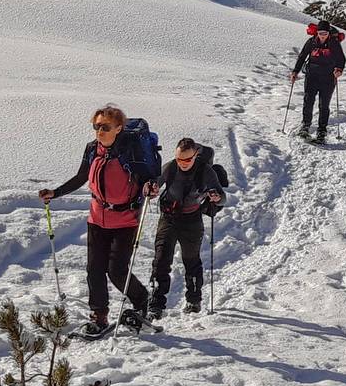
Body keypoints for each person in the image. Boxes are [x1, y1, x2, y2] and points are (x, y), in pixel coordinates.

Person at [39, 104, 159, 338]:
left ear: (118, 128)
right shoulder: (93, 148)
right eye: (96, 126)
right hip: (96, 218)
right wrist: (56, 192)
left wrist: (150, 188)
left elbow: (148, 179)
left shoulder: (131, 150)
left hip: (125, 220)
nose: (99, 131)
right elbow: (81, 176)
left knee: (116, 271)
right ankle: (99, 316)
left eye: (105, 127)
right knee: (94, 269)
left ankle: (141, 301)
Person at [147, 137, 224, 318]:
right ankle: (156, 304)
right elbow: (156, 182)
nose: (182, 163)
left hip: (192, 220)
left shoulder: (206, 171)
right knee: (161, 258)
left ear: (195, 155)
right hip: (169, 218)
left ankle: (194, 301)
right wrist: (151, 189)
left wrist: (217, 197)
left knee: (191, 260)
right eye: (179, 159)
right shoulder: (171, 167)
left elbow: (222, 197)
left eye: (187, 160)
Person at [291, 20, 346, 142]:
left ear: (328, 33)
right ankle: (305, 126)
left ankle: (322, 131)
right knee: (308, 101)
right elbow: (302, 56)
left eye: (325, 33)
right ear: (317, 32)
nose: (322, 36)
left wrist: (339, 70)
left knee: (324, 104)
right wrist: (295, 71)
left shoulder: (334, 43)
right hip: (312, 76)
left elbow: (341, 59)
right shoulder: (311, 42)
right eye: (320, 33)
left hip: (328, 78)